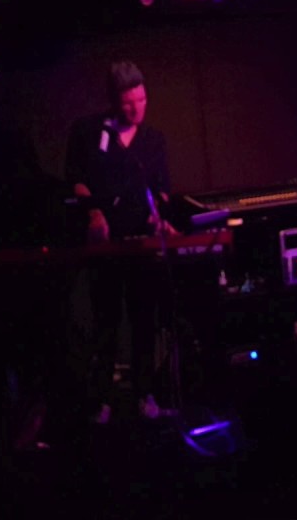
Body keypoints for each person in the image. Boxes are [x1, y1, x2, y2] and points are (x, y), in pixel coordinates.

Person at [64, 60, 176, 423]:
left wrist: (157, 215)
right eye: (128, 103)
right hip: (105, 245)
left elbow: (161, 189)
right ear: (114, 101)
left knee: (144, 321)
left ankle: (144, 395)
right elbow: (76, 179)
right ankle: (102, 401)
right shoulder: (88, 132)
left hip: (140, 243)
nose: (136, 109)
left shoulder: (153, 140)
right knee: (105, 324)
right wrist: (93, 213)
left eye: (142, 100)